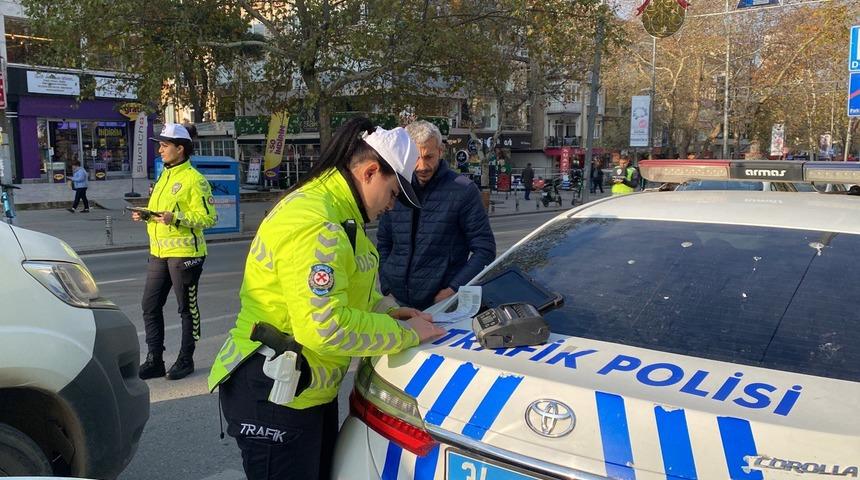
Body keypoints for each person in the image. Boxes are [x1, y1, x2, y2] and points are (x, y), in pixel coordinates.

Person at [207, 118, 444, 480]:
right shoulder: (318, 222)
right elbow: (325, 326)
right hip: (275, 394)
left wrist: (390, 312)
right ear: (369, 172)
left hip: (304, 388)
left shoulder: (342, 216)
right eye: (394, 193)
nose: (392, 206)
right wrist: (408, 334)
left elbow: (350, 295)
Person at [377, 120, 496, 310]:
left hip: (440, 304)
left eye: (429, 157)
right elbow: (384, 243)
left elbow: (485, 250)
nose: (422, 166)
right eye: (416, 157)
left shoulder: (463, 191)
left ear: (440, 152)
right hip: (396, 301)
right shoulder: (396, 187)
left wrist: (452, 289)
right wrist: (387, 286)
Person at [134, 123, 217, 381]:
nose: (159, 150)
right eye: (159, 145)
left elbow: (209, 218)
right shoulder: (163, 176)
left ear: (180, 149)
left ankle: (185, 359)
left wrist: (176, 218)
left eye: (164, 145)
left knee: (186, 309)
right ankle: (154, 359)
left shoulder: (195, 180)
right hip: (159, 253)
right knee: (149, 305)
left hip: (186, 255)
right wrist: (147, 216)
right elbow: (162, 215)